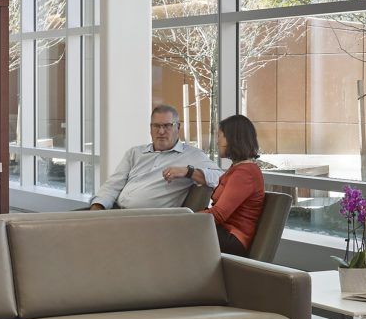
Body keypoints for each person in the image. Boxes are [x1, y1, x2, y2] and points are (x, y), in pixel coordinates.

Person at [89, 104, 218, 210]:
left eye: (167, 126)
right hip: (116, 213)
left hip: (152, 222)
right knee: (72, 225)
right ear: (150, 128)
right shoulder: (135, 153)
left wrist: (188, 171)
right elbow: (113, 185)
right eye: (156, 126)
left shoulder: (192, 155)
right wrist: (98, 206)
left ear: (177, 127)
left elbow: (222, 177)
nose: (161, 131)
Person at [205, 115, 265, 256]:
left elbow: (218, 214)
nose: (217, 141)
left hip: (232, 238)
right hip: (223, 233)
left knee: (174, 234)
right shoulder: (238, 169)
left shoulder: (244, 173)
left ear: (233, 139)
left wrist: (186, 219)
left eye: (220, 136)